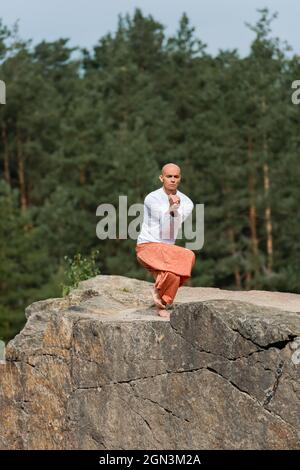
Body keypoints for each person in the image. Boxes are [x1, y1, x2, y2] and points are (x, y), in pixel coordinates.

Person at [136, 163, 196, 319]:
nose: (172, 180)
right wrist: (172, 208)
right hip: (147, 247)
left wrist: (175, 209)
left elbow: (173, 226)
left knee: (180, 267)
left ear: (180, 178)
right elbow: (164, 226)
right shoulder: (152, 198)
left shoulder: (187, 202)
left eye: (176, 176)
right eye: (169, 176)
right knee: (180, 264)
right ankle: (160, 295)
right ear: (161, 178)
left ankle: (161, 302)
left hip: (166, 250)